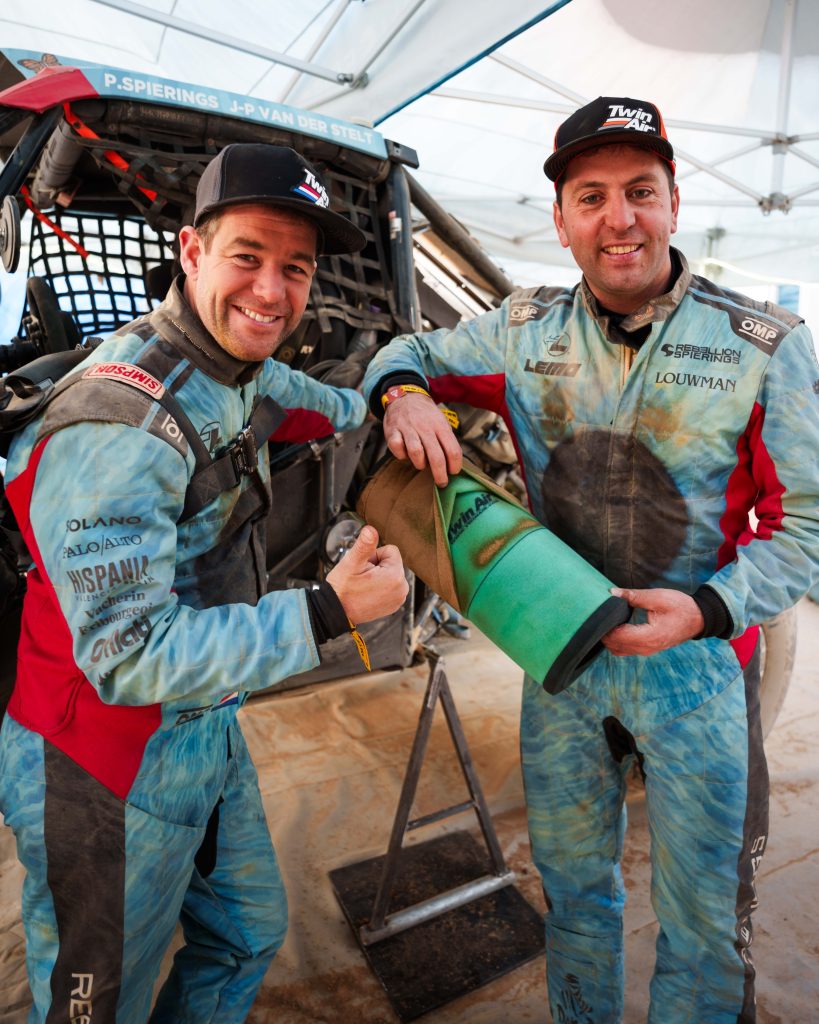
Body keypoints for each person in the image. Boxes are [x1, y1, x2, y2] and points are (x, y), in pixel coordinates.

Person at [361, 97, 819, 1023]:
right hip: (560, 666)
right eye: (592, 197)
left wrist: (709, 609)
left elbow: (804, 527)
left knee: (703, 925)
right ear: (561, 219)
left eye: (640, 192)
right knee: (572, 899)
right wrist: (400, 394)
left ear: (674, 203)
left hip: (697, 672)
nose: (620, 219)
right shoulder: (518, 331)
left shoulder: (764, 348)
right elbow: (403, 350)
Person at [0, 143, 408, 1023]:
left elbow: (320, 402)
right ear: (191, 251)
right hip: (102, 762)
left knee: (246, 935)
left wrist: (396, 397)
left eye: (294, 268)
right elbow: (128, 658)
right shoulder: (119, 428)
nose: (271, 291)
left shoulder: (234, 367)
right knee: (95, 1007)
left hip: (200, 727)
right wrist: (329, 610)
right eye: (247, 257)